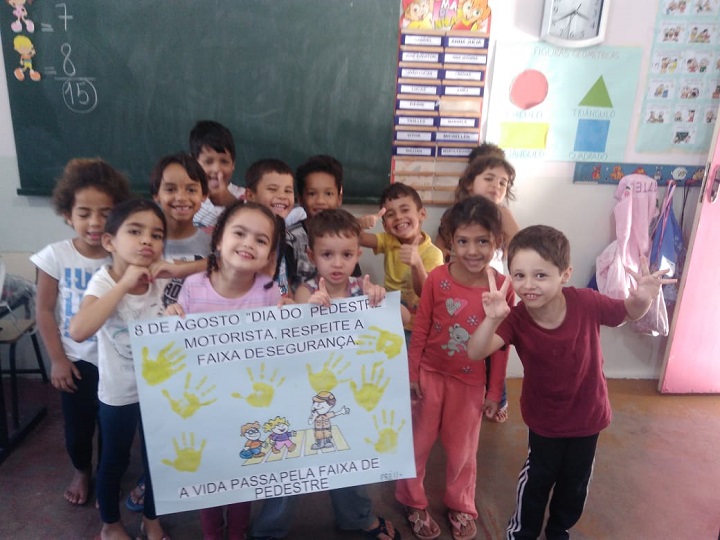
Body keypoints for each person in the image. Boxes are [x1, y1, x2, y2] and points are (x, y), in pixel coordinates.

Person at [467, 225, 674, 540]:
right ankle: (522, 532)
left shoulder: (587, 302)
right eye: (519, 275)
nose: (528, 285)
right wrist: (493, 318)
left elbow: (628, 313)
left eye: (540, 275)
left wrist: (643, 297)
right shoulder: (517, 318)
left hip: (588, 415)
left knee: (575, 482)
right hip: (545, 420)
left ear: (565, 274)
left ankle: (559, 529)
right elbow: (475, 351)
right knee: (537, 479)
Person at [250, 208, 399, 540]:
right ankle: (268, 530)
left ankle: (357, 517)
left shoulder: (363, 288)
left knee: (351, 457)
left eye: (346, 254)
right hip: (305, 393)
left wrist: (378, 299)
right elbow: (295, 327)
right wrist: (307, 309)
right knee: (291, 461)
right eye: (327, 254)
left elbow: (399, 316)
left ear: (358, 255)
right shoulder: (305, 290)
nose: (337, 263)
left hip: (349, 393)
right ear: (311, 255)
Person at [395, 196, 513, 540]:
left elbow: (502, 345)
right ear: (450, 241)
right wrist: (412, 374)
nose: (472, 251)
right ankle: (412, 500)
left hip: (470, 383)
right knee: (417, 444)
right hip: (430, 375)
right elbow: (420, 328)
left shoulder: (503, 287)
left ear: (497, 241)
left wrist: (495, 392)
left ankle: (461, 504)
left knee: (463, 450)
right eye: (463, 241)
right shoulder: (436, 279)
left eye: (482, 241)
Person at [165, 200, 283, 540]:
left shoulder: (270, 292)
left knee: (243, 474)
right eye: (239, 233)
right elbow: (176, 349)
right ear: (218, 240)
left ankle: (238, 533)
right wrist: (172, 319)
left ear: (269, 255)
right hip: (205, 407)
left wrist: (288, 318)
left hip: (249, 406)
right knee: (211, 475)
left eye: (261, 240)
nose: (248, 244)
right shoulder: (193, 286)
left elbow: (282, 351)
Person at [30, 158, 131, 506]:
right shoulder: (55, 256)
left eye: (106, 213)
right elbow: (44, 310)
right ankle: (81, 470)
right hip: (77, 361)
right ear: (67, 214)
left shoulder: (124, 256)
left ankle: (107, 475)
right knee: (78, 428)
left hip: (118, 361)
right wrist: (58, 360)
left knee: (114, 428)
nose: (95, 222)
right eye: (84, 213)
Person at [69, 199, 171, 540]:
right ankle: (110, 524)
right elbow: (79, 329)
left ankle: (151, 519)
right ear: (109, 241)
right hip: (119, 393)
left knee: (158, 460)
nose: (147, 240)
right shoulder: (103, 282)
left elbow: (207, 266)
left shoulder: (161, 279)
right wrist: (124, 284)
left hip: (159, 391)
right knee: (114, 459)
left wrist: (172, 276)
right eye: (135, 231)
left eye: (156, 235)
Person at [439, 153, 520, 423]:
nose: (496, 185)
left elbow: (521, 247)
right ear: (469, 183)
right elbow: (440, 247)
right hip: (462, 290)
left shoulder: (502, 214)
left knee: (495, 344)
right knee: (463, 340)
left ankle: (498, 394)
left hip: (494, 292)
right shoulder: (455, 214)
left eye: (503, 182)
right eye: (489, 178)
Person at [359, 183, 443, 336]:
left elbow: (426, 294)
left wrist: (417, 264)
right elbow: (356, 238)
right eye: (391, 214)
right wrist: (360, 224)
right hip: (391, 317)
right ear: (385, 225)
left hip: (417, 326)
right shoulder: (389, 240)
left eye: (405, 210)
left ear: (422, 214)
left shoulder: (433, 253)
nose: (398, 217)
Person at [149, 152, 212, 307]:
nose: (181, 197)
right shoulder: (144, 242)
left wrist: (178, 269)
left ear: (204, 195)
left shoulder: (213, 244)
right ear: (156, 195)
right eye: (170, 189)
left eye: (191, 190)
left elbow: (226, 265)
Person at [290, 154, 361, 285]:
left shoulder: (346, 235)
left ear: (339, 198)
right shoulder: (290, 238)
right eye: (312, 193)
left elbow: (355, 282)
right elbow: (282, 286)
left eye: (328, 193)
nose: (320, 201)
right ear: (300, 199)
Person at [244, 158, 298, 297]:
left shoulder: (282, 236)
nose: (282, 196)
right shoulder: (245, 237)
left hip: (280, 307)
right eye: (272, 189)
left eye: (288, 190)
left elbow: (284, 281)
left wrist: (293, 304)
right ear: (251, 195)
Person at [189, 120, 244, 230]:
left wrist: (231, 202)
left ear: (233, 164)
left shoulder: (244, 196)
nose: (217, 169)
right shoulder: (186, 196)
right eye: (208, 161)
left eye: (224, 161)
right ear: (193, 162)